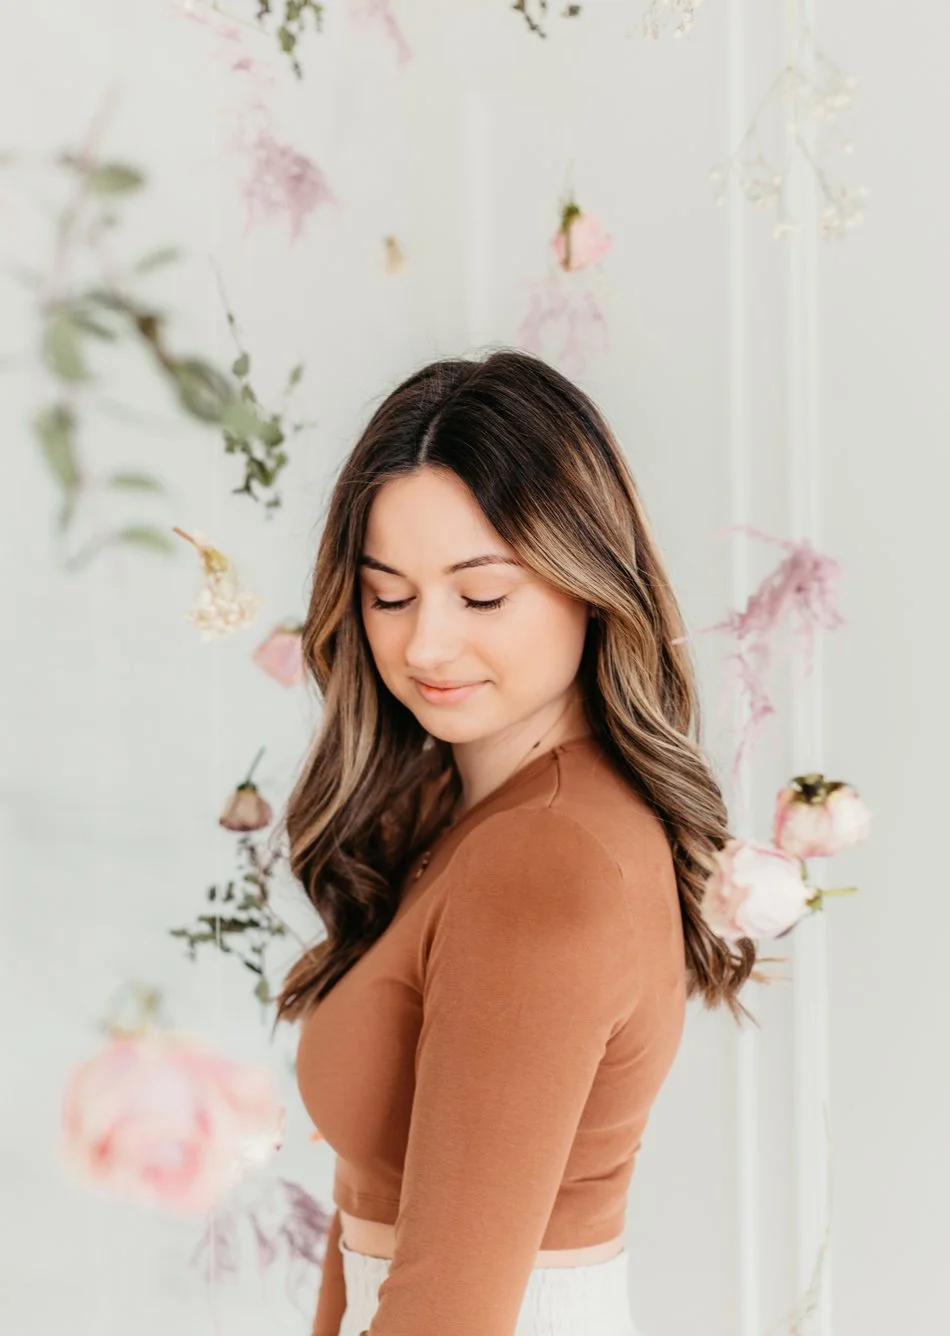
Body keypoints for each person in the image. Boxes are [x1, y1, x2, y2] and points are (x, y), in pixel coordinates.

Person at [272, 348, 764, 1336]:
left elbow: (444, 1319)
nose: (426, 645)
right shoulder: (459, 821)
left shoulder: (541, 859)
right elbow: (370, 1217)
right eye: (388, 594)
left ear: (586, 578)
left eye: (480, 594)